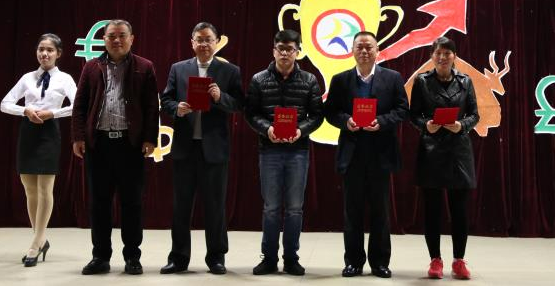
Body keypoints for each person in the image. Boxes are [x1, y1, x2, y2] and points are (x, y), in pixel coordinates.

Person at [71, 19, 159, 276]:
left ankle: (132, 257)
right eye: (111, 36)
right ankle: (100, 256)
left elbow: (151, 106)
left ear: (132, 39)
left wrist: (150, 138)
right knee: (99, 203)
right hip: (98, 145)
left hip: (130, 145)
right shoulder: (91, 67)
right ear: (104, 40)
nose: (116, 40)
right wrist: (78, 137)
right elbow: (80, 105)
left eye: (122, 35)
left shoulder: (145, 66)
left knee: (132, 203)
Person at [160, 22, 244, 275]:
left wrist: (220, 97)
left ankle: (216, 257)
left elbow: (239, 104)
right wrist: (177, 108)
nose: (204, 44)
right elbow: (166, 99)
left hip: (214, 149)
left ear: (216, 42)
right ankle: (178, 258)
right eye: (199, 39)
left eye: (208, 39)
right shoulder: (178, 68)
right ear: (192, 43)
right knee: (181, 206)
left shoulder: (229, 71)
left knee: (215, 206)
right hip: (185, 148)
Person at [324, 31, 409, 279]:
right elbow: (330, 112)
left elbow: (402, 110)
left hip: (381, 153)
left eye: (368, 47)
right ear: (352, 51)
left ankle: (380, 262)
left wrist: (381, 121)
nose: (364, 51)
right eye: (359, 47)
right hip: (352, 154)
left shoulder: (393, 78)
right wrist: (345, 121)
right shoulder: (340, 80)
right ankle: (353, 262)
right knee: (352, 212)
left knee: (381, 211)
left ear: (377, 50)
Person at [244, 29, 323, 276]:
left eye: (290, 49)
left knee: (295, 208)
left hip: (298, 151)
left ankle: (291, 258)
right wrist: (267, 129)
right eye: (281, 49)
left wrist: (301, 130)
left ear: (298, 51)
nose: (285, 53)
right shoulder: (259, 79)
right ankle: (269, 258)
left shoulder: (309, 80)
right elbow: (251, 113)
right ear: (274, 50)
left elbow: (317, 115)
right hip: (269, 150)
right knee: (271, 207)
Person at [0, 33, 76, 267]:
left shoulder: (64, 79)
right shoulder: (27, 77)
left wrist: (53, 112)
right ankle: (40, 238)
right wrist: (25, 110)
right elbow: (5, 103)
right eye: (41, 49)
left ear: (58, 54)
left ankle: (36, 243)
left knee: (45, 188)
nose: (44, 54)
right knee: (29, 189)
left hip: (49, 131)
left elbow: (77, 106)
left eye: (49, 50)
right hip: (28, 131)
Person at [409, 36, 479, 280]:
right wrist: (425, 125)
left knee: (460, 211)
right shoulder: (422, 81)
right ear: (432, 56)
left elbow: (475, 115)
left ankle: (459, 261)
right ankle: (435, 260)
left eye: (447, 53)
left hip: (458, 150)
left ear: (454, 56)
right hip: (432, 150)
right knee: (432, 210)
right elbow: (413, 115)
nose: (442, 57)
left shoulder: (466, 81)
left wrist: (462, 125)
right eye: (438, 53)